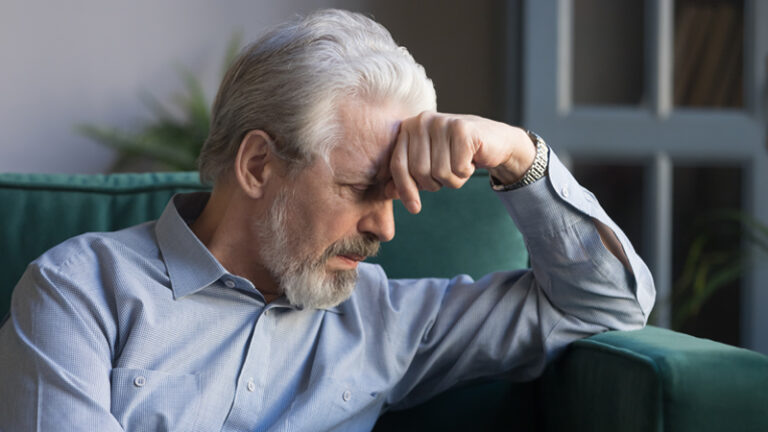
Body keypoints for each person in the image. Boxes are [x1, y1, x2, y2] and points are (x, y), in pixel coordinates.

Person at [0, 9, 655, 432]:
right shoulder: (81, 292)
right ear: (258, 165)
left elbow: (607, 305)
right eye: (363, 188)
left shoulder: (386, 323)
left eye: (396, 194)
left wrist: (517, 154)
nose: (386, 229)